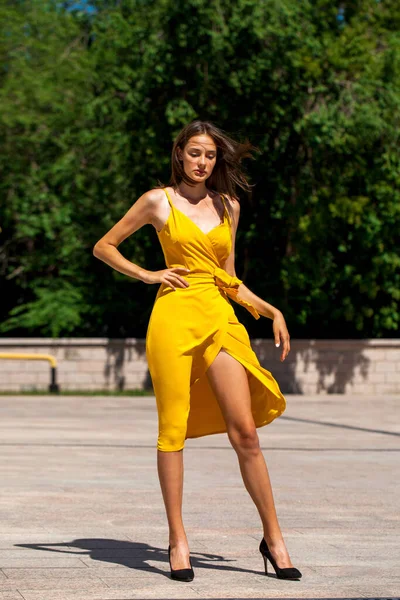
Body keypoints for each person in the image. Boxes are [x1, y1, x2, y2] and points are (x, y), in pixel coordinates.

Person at [93, 120, 302, 582]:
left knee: (245, 431)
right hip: (172, 320)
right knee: (173, 431)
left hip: (219, 317)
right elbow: (104, 247)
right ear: (180, 155)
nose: (202, 162)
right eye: (194, 153)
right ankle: (177, 539)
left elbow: (228, 277)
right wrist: (149, 274)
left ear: (215, 159)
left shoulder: (229, 205)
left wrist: (270, 311)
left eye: (209, 155)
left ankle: (274, 538)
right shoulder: (157, 200)